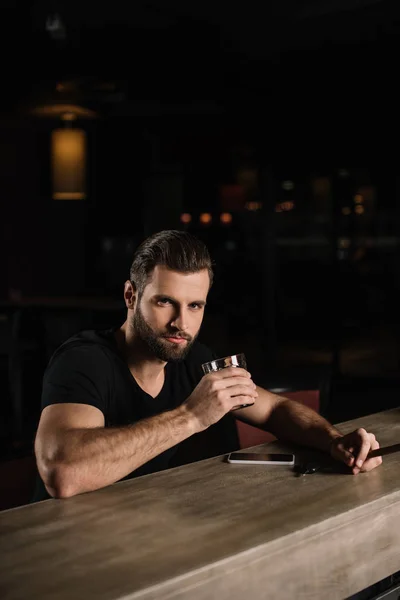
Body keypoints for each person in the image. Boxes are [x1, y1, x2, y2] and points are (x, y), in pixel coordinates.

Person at [33, 230, 382, 500]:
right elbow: (63, 474)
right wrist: (192, 416)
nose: (181, 323)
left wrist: (333, 441)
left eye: (195, 306)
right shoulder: (84, 360)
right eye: (165, 302)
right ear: (130, 296)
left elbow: (274, 409)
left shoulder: (195, 359)